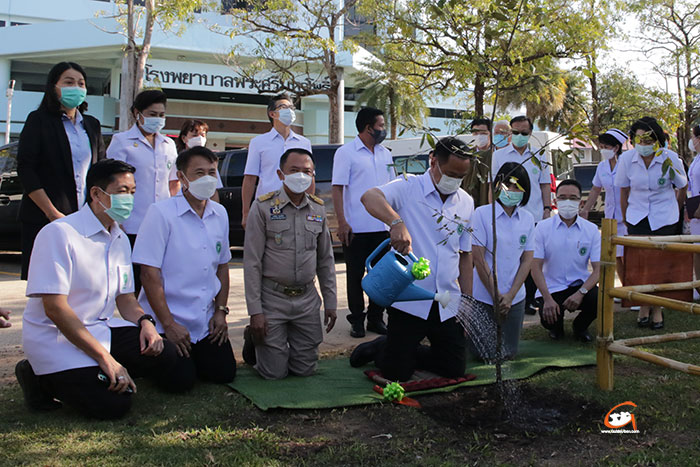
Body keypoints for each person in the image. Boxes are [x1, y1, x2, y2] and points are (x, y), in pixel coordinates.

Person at [15, 159, 184, 420]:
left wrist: (146, 323)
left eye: (133, 191)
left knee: (166, 353)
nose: (130, 198)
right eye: (122, 191)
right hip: (57, 337)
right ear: (96, 193)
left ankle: (100, 369)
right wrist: (105, 358)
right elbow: (55, 309)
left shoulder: (119, 238)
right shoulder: (60, 234)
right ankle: (38, 379)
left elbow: (125, 298)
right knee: (114, 405)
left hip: (100, 328)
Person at [350, 137, 474, 382]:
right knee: (396, 372)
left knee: (453, 369)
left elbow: (465, 256)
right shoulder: (408, 186)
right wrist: (396, 222)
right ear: (433, 161)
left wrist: (466, 303)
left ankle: (404, 349)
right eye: (450, 173)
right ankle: (382, 348)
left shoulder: (466, 202)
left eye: (461, 176)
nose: (455, 181)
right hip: (410, 298)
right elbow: (369, 197)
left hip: (447, 300)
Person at [134, 146, 236, 386]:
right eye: (199, 173)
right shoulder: (161, 213)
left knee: (223, 373)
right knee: (180, 382)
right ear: (181, 177)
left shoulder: (219, 213)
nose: (207, 179)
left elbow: (222, 266)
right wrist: (168, 325)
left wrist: (220, 311)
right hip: (169, 319)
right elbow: (149, 274)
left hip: (205, 320)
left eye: (212, 172)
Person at [243, 148, 337, 380]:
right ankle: (253, 339)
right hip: (272, 299)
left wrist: (331, 301)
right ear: (280, 174)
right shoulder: (263, 207)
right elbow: (252, 262)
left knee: (304, 371)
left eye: (306, 171)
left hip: (306, 300)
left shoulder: (317, 208)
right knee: (274, 373)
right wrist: (256, 312)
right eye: (294, 170)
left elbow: (325, 259)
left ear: (313, 175)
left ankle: (274, 345)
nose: (300, 176)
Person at [16, 61, 106, 280]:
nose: (76, 87)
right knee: (48, 285)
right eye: (68, 82)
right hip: (46, 218)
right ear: (53, 86)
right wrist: (52, 213)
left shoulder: (92, 125)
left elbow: (101, 171)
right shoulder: (38, 120)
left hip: (85, 219)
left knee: (83, 282)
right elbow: (26, 169)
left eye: (81, 83)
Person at [616, 116, 687, 330]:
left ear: (656, 140)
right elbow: (624, 190)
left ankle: (657, 309)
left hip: (664, 216)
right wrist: (626, 216)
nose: (644, 145)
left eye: (648, 140)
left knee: (660, 264)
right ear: (633, 140)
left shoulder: (670, 158)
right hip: (637, 216)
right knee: (640, 264)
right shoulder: (627, 160)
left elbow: (681, 186)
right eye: (639, 139)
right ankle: (644, 305)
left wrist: (674, 207)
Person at [331, 107, 395, 338]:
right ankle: (357, 320)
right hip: (356, 227)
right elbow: (337, 189)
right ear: (368, 127)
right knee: (355, 275)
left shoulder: (385, 153)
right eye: (381, 125)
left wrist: (395, 222)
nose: (383, 130)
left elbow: (392, 189)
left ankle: (376, 318)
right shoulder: (346, 153)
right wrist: (342, 222)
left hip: (383, 227)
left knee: (383, 276)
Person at [107, 90, 179, 293]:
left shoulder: (169, 145)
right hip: (132, 225)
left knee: (161, 282)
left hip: (163, 224)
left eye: (161, 115)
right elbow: (113, 183)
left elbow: (173, 183)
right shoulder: (121, 141)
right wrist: (116, 221)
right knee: (136, 282)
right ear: (137, 113)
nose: (157, 119)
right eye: (152, 114)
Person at [468, 162, 534, 360]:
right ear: (497, 186)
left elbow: (526, 260)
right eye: (507, 185)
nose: (511, 191)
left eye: (517, 187)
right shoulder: (482, 214)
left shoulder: (528, 219)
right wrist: (496, 295)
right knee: (482, 354)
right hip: (485, 295)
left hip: (515, 296)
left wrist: (510, 296)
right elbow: (478, 259)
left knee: (509, 353)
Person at [492, 115, 551, 316]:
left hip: (533, 214)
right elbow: (495, 185)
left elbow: (544, 184)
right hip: (506, 213)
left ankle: (528, 298)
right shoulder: (499, 156)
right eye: (515, 132)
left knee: (532, 259)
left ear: (530, 133)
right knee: (510, 256)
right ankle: (506, 295)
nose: (519, 136)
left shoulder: (539, 156)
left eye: (523, 133)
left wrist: (547, 208)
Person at [531, 179, 601, 342]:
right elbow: (535, 267)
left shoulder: (590, 230)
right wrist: (547, 298)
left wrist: (581, 292)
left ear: (580, 202)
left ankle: (580, 326)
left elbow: (598, 269)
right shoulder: (542, 228)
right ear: (555, 201)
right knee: (549, 319)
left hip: (580, 286)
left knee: (600, 299)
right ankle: (556, 327)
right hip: (552, 288)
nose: (567, 202)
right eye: (562, 197)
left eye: (573, 198)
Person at [241, 93, 312, 229]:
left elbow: (310, 177)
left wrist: (309, 206)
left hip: (296, 205)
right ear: (272, 114)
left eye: (291, 107)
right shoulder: (258, 142)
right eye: (284, 107)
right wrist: (245, 213)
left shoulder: (304, 143)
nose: (290, 111)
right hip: (266, 205)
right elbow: (250, 179)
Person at [581, 129, 629, 283]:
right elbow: (596, 189)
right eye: (601, 146)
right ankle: (624, 289)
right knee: (616, 256)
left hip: (628, 217)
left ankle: (633, 290)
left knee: (628, 255)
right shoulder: (602, 167)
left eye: (606, 146)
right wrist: (586, 209)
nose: (603, 150)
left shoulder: (626, 163)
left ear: (616, 147)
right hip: (611, 218)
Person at [175, 119, 223, 202]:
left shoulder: (210, 161)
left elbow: (214, 191)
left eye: (202, 135)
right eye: (195, 135)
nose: (199, 138)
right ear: (184, 138)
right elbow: (174, 187)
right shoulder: (177, 162)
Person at [462, 117, 492, 207]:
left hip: (488, 208)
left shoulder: (496, 155)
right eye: (475, 133)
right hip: (467, 207)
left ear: (490, 133)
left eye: (483, 133)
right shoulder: (466, 155)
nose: (479, 136)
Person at [686, 125, 700, 292]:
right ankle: (698, 286)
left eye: (693, 137)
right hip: (695, 209)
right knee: (696, 249)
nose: (691, 140)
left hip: (698, 208)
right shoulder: (696, 159)